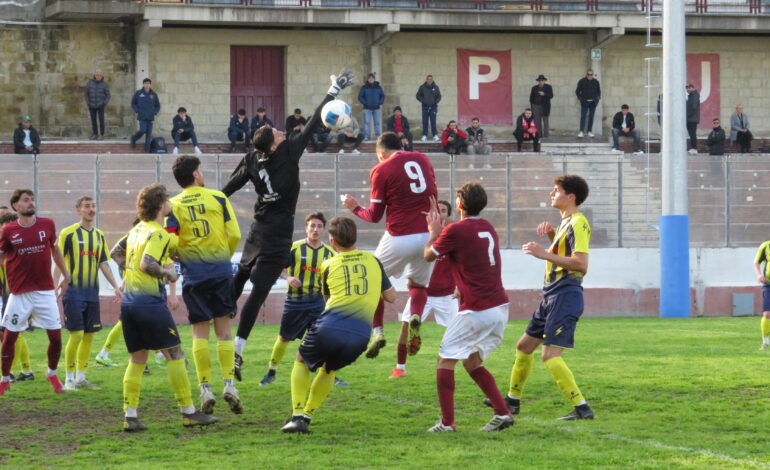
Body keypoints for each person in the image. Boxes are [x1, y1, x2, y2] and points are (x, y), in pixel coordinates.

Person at [222, 70, 354, 381]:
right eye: (276, 132)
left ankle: (224, 310)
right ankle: (237, 351)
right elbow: (312, 124)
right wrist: (332, 91)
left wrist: (208, 203)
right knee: (259, 293)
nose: (281, 131)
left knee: (241, 273)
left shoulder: (253, 157)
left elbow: (229, 187)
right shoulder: (288, 152)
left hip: (258, 229)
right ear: (272, 145)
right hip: (278, 235)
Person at [115, 183, 216, 431]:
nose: (171, 203)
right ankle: (188, 412)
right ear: (161, 205)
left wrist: (128, 272)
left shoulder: (138, 229)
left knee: (138, 359)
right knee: (175, 354)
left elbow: (115, 252)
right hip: (149, 303)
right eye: (168, 200)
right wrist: (167, 276)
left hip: (129, 304)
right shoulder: (157, 232)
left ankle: (130, 416)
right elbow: (147, 264)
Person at [281, 216, 396, 434]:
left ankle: (297, 416)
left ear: (332, 241)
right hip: (361, 336)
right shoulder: (373, 260)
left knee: (301, 359)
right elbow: (390, 297)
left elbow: (327, 300)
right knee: (329, 368)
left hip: (329, 327)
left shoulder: (327, 264)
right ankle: (307, 417)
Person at [497, 175, 594, 421]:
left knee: (550, 356)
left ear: (570, 196)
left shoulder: (578, 222)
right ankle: (513, 400)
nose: (552, 194)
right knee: (523, 347)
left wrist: (543, 254)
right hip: (551, 296)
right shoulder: (565, 223)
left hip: (565, 295)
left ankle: (582, 408)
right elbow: (567, 255)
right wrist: (552, 237)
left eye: (556, 191)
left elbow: (581, 264)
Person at [341, 131, 438, 368]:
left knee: (373, 281)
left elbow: (374, 216)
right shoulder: (422, 159)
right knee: (417, 285)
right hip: (427, 233)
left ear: (381, 152)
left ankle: (378, 332)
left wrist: (355, 208)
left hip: (399, 236)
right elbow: (433, 194)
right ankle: (415, 315)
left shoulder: (381, 169)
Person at [423, 183, 513, 432]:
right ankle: (502, 412)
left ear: (460, 203)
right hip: (499, 307)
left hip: (477, 308)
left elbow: (429, 255)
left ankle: (447, 422)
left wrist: (433, 231)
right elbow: (475, 261)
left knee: (445, 359)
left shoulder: (455, 229)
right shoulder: (488, 227)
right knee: (472, 362)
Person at [165, 155, 243, 415]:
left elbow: (171, 242)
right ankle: (230, 385)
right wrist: (223, 254)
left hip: (194, 275)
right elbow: (235, 235)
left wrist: (180, 254)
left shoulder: (172, 205)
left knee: (200, 333)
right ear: (196, 175)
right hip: (220, 271)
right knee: (224, 331)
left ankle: (205, 388)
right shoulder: (218, 198)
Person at [0, 189, 70, 396]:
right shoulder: (8, 231)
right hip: (19, 294)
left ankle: (52, 373)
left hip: (45, 292)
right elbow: (1, 257)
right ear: (16, 206)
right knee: (9, 338)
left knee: (56, 338)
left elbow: (55, 250)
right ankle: (4, 379)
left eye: (32, 199)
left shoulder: (47, 224)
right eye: (25, 200)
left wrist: (66, 276)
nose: (31, 203)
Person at [259, 212, 335, 386]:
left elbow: (332, 279)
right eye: (312, 225)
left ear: (323, 230)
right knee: (285, 338)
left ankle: (328, 372)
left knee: (321, 338)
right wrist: (288, 278)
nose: (315, 229)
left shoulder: (329, 253)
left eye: (319, 226)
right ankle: (272, 371)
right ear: (306, 228)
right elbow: (279, 268)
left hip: (317, 301)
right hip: (295, 301)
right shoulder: (295, 248)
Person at [55, 196, 122, 392]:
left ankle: (81, 378)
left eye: (93, 206)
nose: (91, 210)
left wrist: (116, 286)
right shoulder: (68, 233)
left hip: (92, 294)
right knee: (76, 335)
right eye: (87, 207)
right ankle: (68, 378)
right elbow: (58, 260)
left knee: (89, 336)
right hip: (73, 292)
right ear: (78, 210)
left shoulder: (99, 235)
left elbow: (103, 263)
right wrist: (55, 284)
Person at [389, 199, 457, 379]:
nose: (439, 213)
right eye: (436, 210)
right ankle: (400, 368)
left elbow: (461, 264)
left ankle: (445, 364)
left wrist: (460, 287)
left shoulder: (452, 235)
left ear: (448, 215)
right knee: (405, 326)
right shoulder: (422, 236)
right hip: (423, 292)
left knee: (457, 332)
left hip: (447, 295)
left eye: (443, 210)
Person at [0, 211, 33, 382]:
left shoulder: (18, 245)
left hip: (14, 295)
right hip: (6, 295)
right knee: (10, 333)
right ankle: (26, 371)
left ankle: (12, 372)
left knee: (10, 333)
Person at [130, 78, 161, 153]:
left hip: (150, 116)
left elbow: (158, 106)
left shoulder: (154, 94)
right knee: (143, 130)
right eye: (145, 83)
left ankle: (147, 149)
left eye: (148, 83)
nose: (147, 85)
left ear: (150, 85)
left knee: (149, 134)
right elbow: (133, 103)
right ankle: (134, 138)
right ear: (143, 84)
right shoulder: (138, 93)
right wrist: (137, 110)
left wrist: (154, 112)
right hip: (142, 116)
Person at [358, 73, 385, 141]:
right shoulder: (364, 87)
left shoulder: (378, 87)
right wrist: (365, 103)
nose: (371, 79)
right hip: (367, 108)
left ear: (374, 79)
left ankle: (377, 136)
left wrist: (380, 102)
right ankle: (366, 136)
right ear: (368, 79)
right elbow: (360, 96)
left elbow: (383, 96)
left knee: (377, 123)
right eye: (370, 78)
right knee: (366, 123)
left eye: (372, 78)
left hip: (377, 108)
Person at [85, 69, 110, 140]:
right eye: (97, 75)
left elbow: (108, 95)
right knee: (93, 121)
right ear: (94, 75)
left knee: (101, 120)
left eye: (100, 75)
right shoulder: (89, 83)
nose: (98, 76)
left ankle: (102, 134)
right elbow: (86, 94)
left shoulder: (104, 84)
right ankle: (95, 134)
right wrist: (88, 103)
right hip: (91, 105)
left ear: (102, 76)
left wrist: (104, 103)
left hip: (100, 105)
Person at [754, 239, 770, 350]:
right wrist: (759, 275)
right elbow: (756, 262)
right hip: (768, 284)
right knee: (767, 314)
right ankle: (765, 342)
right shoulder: (766, 246)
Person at [575, 69, 600, 138]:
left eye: (591, 74)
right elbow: (577, 91)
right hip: (584, 102)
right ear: (586, 74)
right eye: (588, 74)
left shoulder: (596, 82)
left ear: (593, 75)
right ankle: (581, 131)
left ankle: (589, 131)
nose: (589, 76)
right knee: (583, 116)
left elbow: (598, 92)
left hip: (593, 102)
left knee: (591, 117)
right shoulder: (582, 81)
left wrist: (597, 100)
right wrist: (580, 99)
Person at [416, 75, 442, 142]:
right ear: (426, 80)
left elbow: (439, 96)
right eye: (428, 79)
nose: (429, 80)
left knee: (433, 121)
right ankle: (425, 135)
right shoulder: (422, 87)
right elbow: (418, 96)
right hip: (425, 107)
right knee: (425, 121)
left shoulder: (436, 87)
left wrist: (435, 102)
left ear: (432, 80)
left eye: (431, 79)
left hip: (433, 108)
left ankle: (435, 135)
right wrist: (423, 101)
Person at [686, 84, 701, 154]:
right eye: (687, 88)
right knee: (691, 133)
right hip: (691, 118)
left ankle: (694, 148)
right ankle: (693, 148)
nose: (687, 90)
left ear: (692, 88)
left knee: (692, 133)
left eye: (689, 88)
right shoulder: (692, 95)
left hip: (692, 118)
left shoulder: (695, 95)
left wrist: (687, 115)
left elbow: (694, 107)